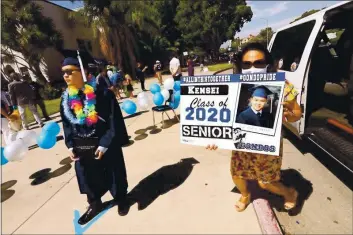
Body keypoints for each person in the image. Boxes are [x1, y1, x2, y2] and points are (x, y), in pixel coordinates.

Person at [207, 42, 302, 212]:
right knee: (237, 174)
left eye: (258, 63)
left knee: (265, 182)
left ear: (267, 64)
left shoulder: (283, 85)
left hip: (267, 146)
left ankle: (289, 193)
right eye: (247, 64)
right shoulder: (232, 86)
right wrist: (214, 137)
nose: (252, 68)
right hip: (241, 144)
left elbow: (297, 114)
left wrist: (288, 111)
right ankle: (245, 195)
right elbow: (219, 116)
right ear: (240, 66)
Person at [60, 57, 130, 225]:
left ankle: (121, 198)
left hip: (105, 142)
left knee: (114, 171)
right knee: (87, 175)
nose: (66, 76)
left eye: (70, 71)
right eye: (64, 73)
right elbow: (67, 124)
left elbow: (114, 120)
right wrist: (70, 145)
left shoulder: (103, 94)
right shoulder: (67, 98)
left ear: (84, 72)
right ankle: (94, 203)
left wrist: (105, 143)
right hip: (82, 145)